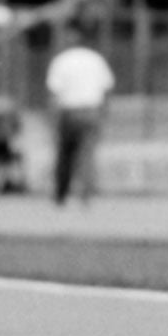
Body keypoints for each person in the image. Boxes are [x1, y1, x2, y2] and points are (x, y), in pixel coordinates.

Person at [44, 33, 115, 206]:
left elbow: (54, 92)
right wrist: (104, 112)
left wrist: (52, 118)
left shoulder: (61, 60)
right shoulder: (96, 59)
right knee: (87, 154)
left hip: (69, 111)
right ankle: (86, 194)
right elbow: (106, 88)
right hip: (91, 110)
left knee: (65, 154)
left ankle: (61, 193)